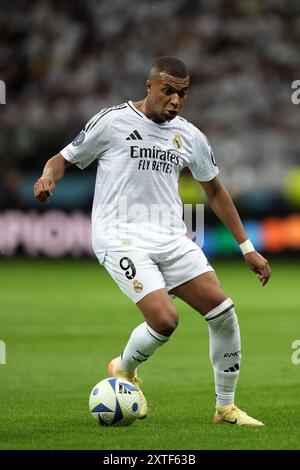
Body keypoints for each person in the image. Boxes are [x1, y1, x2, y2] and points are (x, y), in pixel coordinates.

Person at [34, 56, 272, 426]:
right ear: (149, 88)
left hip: (170, 236)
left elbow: (215, 191)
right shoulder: (113, 121)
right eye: (168, 92)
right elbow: (61, 159)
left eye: (183, 94)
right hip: (119, 236)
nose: (175, 101)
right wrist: (48, 178)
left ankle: (225, 408)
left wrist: (247, 248)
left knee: (223, 312)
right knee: (165, 320)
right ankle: (124, 370)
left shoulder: (191, 136)